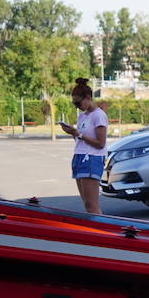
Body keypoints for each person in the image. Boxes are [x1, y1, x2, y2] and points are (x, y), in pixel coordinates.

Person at [60, 78, 108, 213]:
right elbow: (81, 139)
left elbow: (100, 143)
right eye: (74, 103)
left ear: (88, 98)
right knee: (88, 206)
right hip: (80, 157)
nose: (77, 106)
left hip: (92, 159)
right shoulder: (82, 116)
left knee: (92, 206)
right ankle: (98, 231)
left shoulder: (99, 115)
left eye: (78, 102)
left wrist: (78, 134)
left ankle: (102, 232)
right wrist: (72, 133)